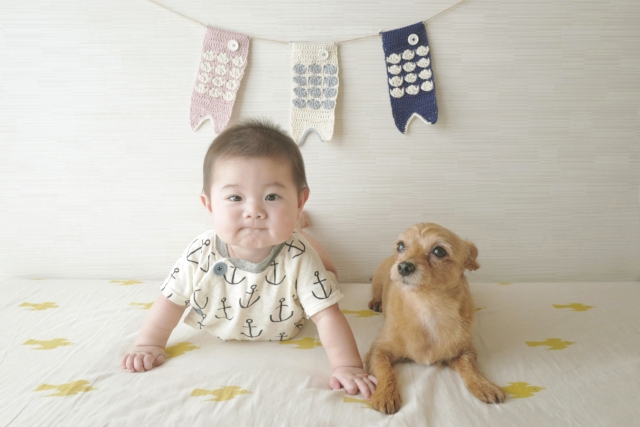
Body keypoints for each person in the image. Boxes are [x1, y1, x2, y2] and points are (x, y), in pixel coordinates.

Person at [121, 119, 377, 399]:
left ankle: (296, 227)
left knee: (328, 272)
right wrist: (148, 344)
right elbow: (170, 301)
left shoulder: (299, 256)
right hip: (222, 323)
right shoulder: (200, 253)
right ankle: (294, 224)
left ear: (299, 201)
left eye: (271, 196)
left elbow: (328, 315)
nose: (254, 211)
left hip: (288, 313)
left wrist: (347, 366)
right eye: (235, 197)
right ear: (209, 205)